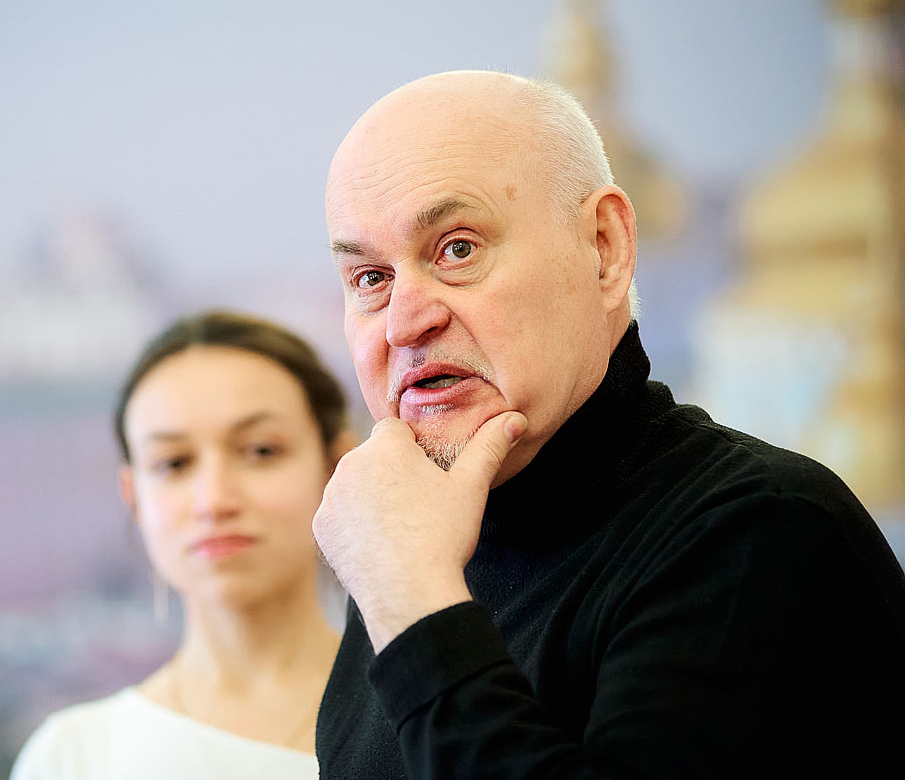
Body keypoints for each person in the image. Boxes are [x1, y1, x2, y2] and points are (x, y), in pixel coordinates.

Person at [311, 70, 905, 779]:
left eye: (457, 249)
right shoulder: (408, 549)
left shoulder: (760, 534)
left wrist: (414, 608)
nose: (405, 323)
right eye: (370, 279)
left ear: (605, 248)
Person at [12, 310, 356, 780]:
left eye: (261, 451)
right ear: (133, 497)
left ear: (335, 467)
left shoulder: (421, 714)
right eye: (173, 463)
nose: (213, 500)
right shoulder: (73, 758)